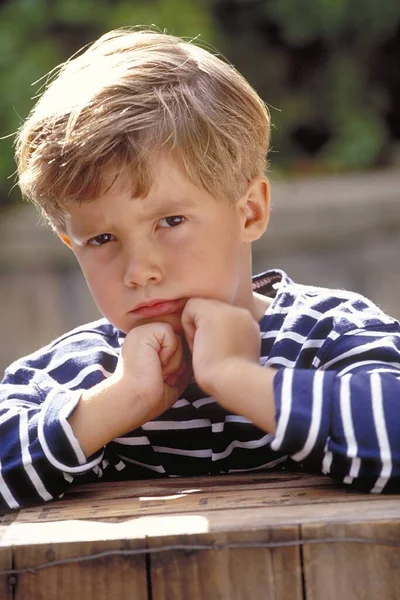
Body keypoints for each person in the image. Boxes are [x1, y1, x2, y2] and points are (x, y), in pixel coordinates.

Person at [1, 28, 400, 512]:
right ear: (71, 244)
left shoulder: (331, 335)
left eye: (170, 222)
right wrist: (119, 402)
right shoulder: (70, 377)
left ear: (249, 211)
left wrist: (235, 376)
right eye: (102, 239)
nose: (139, 270)